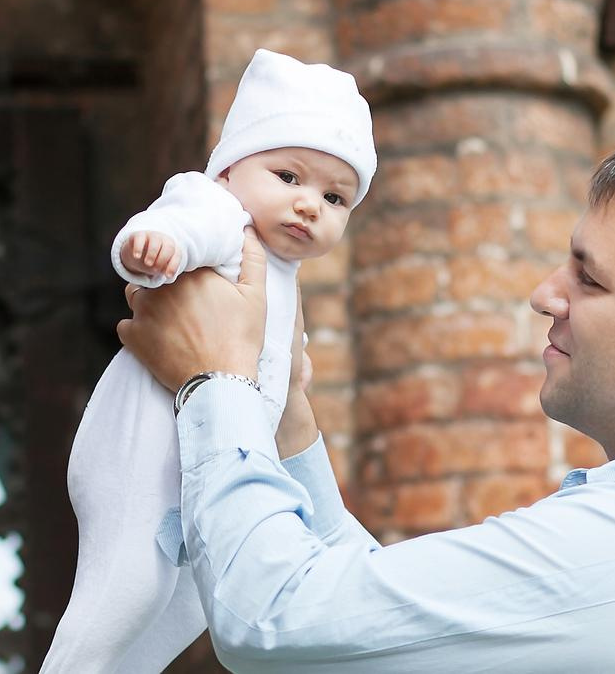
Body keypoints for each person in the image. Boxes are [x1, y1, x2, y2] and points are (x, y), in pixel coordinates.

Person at [118, 130, 615, 673]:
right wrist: (289, 424)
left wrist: (215, 379)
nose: (545, 294)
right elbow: (367, 629)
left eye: (589, 280)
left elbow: (273, 618)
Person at [41, 49, 376, 673]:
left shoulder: (285, 273)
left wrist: (294, 375)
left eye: (336, 198)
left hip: (199, 469)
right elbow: (177, 223)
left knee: (198, 599)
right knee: (128, 586)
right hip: (140, 454)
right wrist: (157, 247)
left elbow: (279, 361)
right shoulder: (221, 214)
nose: (310, 205)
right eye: (288, 176)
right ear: (229, 170)